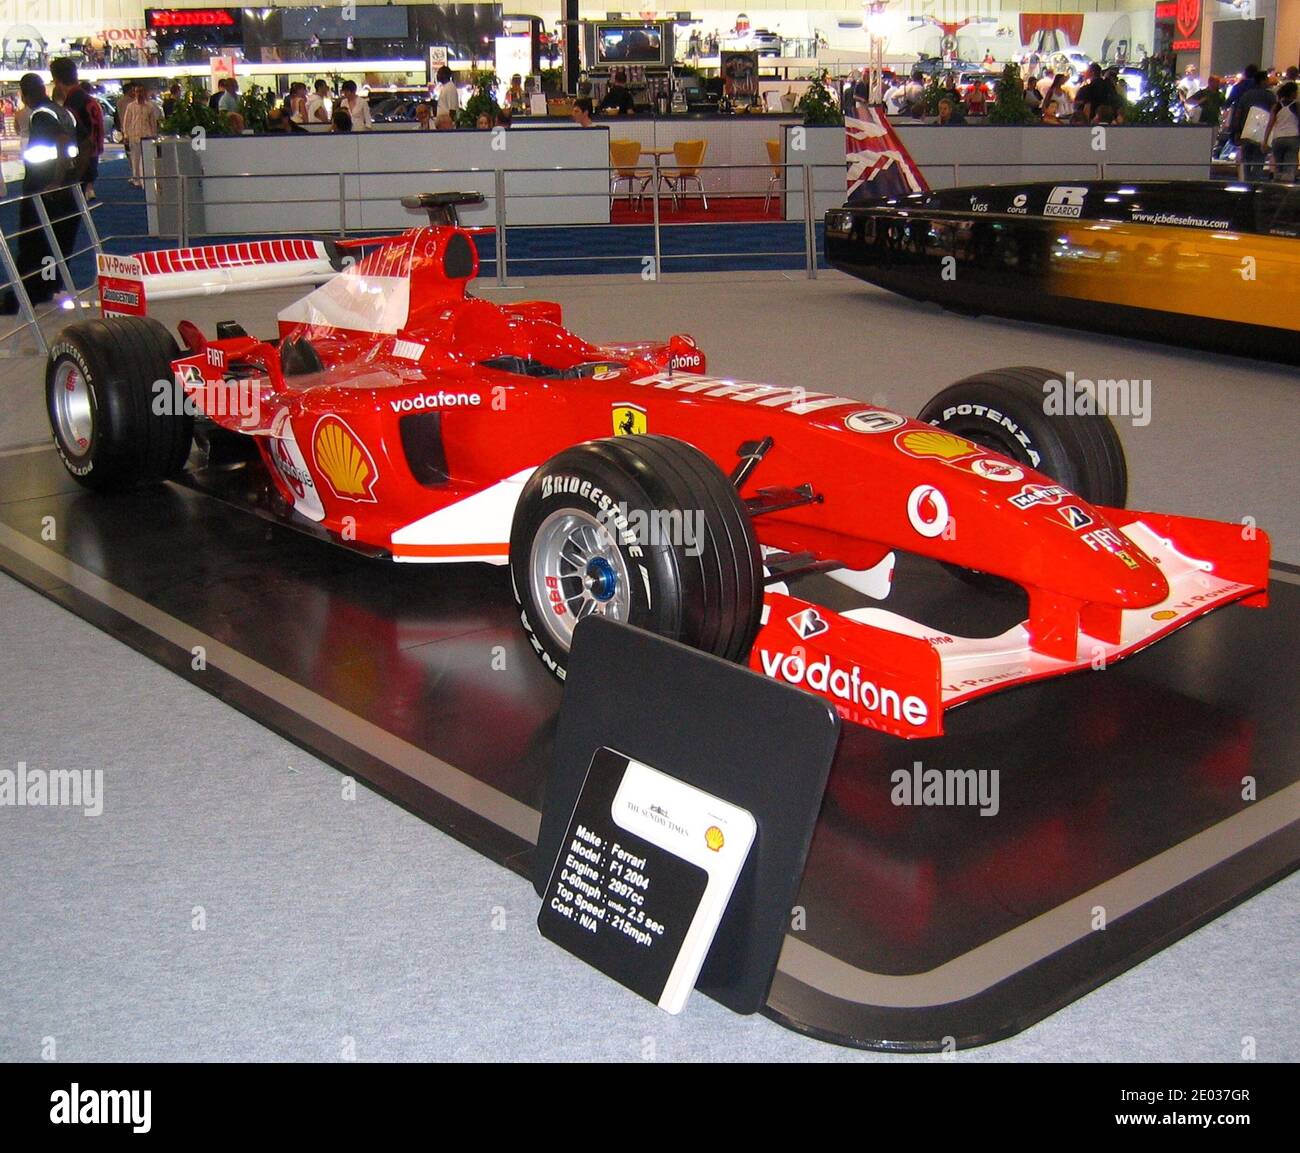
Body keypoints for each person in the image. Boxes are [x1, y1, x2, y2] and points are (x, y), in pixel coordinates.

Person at [0, 73, 78, 315]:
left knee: (35, 242)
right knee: (56, 243)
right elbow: (81, 143)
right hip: (65, 189)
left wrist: (54, 181)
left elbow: (63, 142)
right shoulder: (63, 112)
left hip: (43, 188)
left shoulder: (42, 115)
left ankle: (29, 293)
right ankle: (48, 287)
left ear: (25, 94)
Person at [1230, 66, 1276, 180]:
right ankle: (1255, 183)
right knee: (1259, 160)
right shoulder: (1269, 96)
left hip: (1246, 132)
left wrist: (1237, 131)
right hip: (1262, 133)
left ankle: (1247, 181)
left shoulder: (1246, 95)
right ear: (1262, 81)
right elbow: (1274, 113)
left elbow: (1238, 113)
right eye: (1266, 79)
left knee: (1246, 160)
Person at [121, 83, 159, 187]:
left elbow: (153, 122)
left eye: (141, 91)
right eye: (137, 92)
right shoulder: (131, 106)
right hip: (134, 136)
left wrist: (154, 135)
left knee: (147, 159)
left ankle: (147, 179)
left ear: (145, 92)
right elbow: (126, 121)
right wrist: (125, 135)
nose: (139, 94)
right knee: (135, 158)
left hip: (147, 136)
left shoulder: (150, 107)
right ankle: (136, 179)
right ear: (135, 93)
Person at [1266, 81, 1298, 182]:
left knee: (1278, 167)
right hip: (1293, 138)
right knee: (1289, 167)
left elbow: (1270, 124)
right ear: (1293, 93)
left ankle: (1277, 186)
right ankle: (1286, 188)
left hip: (1278, 138)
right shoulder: (1296, 106)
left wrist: (1265, 140)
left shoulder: (1276, 106)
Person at [79, 80, 104, 200]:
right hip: (95, 140)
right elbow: (100, 123)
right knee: (92, 165)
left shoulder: (80, 103)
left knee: (84, 166)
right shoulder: (95, 104)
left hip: (86, 141)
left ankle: (86, 190)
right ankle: (90, 189)